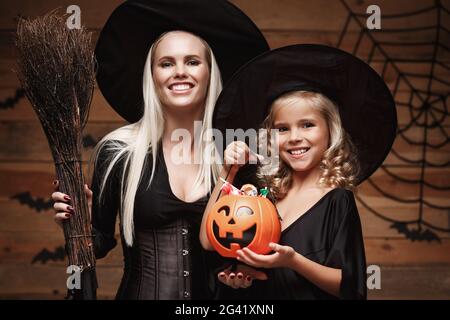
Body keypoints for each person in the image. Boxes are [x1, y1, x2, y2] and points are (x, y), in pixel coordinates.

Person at [51, 0, 269, 300]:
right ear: (152, 76)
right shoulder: (118, 152)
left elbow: (251, 245)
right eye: (166, 63)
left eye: (192, 61)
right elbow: (97, 246)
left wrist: (240, 273)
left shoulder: (234, 152)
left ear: (210, 72)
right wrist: (79, 220)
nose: (180, 72)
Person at [201, 44, 397, 299]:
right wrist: (230, 171)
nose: (295, 137)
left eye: (307, 125)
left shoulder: (336, 200)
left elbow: (348, 285)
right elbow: (208, 240)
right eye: (282, 129)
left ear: (330, 131)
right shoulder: (265, 194)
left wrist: (292, 261)